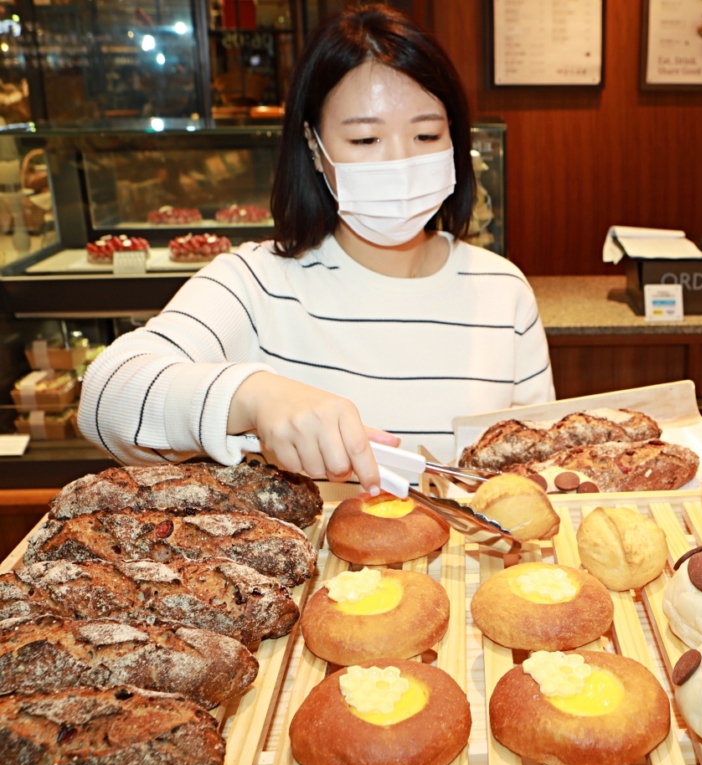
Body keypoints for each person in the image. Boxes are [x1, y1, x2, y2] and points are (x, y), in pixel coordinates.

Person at [79, 5, 554, 494]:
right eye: (366, 138)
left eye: (427, 135)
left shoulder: (504, 291)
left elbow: (533, 471)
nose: (401, 162)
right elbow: (105, 398)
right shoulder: (256, 282)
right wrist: (255, 397)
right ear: (314, 144)